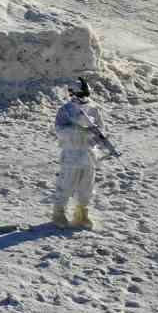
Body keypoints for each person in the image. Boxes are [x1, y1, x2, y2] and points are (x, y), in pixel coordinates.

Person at [52, 77, 106, 230]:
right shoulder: (66, 110)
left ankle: (82, 213)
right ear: (73, 94)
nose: (83, 98)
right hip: (72, 153)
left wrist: (96, 138)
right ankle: (59, 212)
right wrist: (79, 130)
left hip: (88, 154)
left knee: (86, 186)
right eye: (80, 94)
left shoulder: (94, 108)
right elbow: (59, 129)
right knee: (67, 183)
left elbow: (101, 129)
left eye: (85, 94)